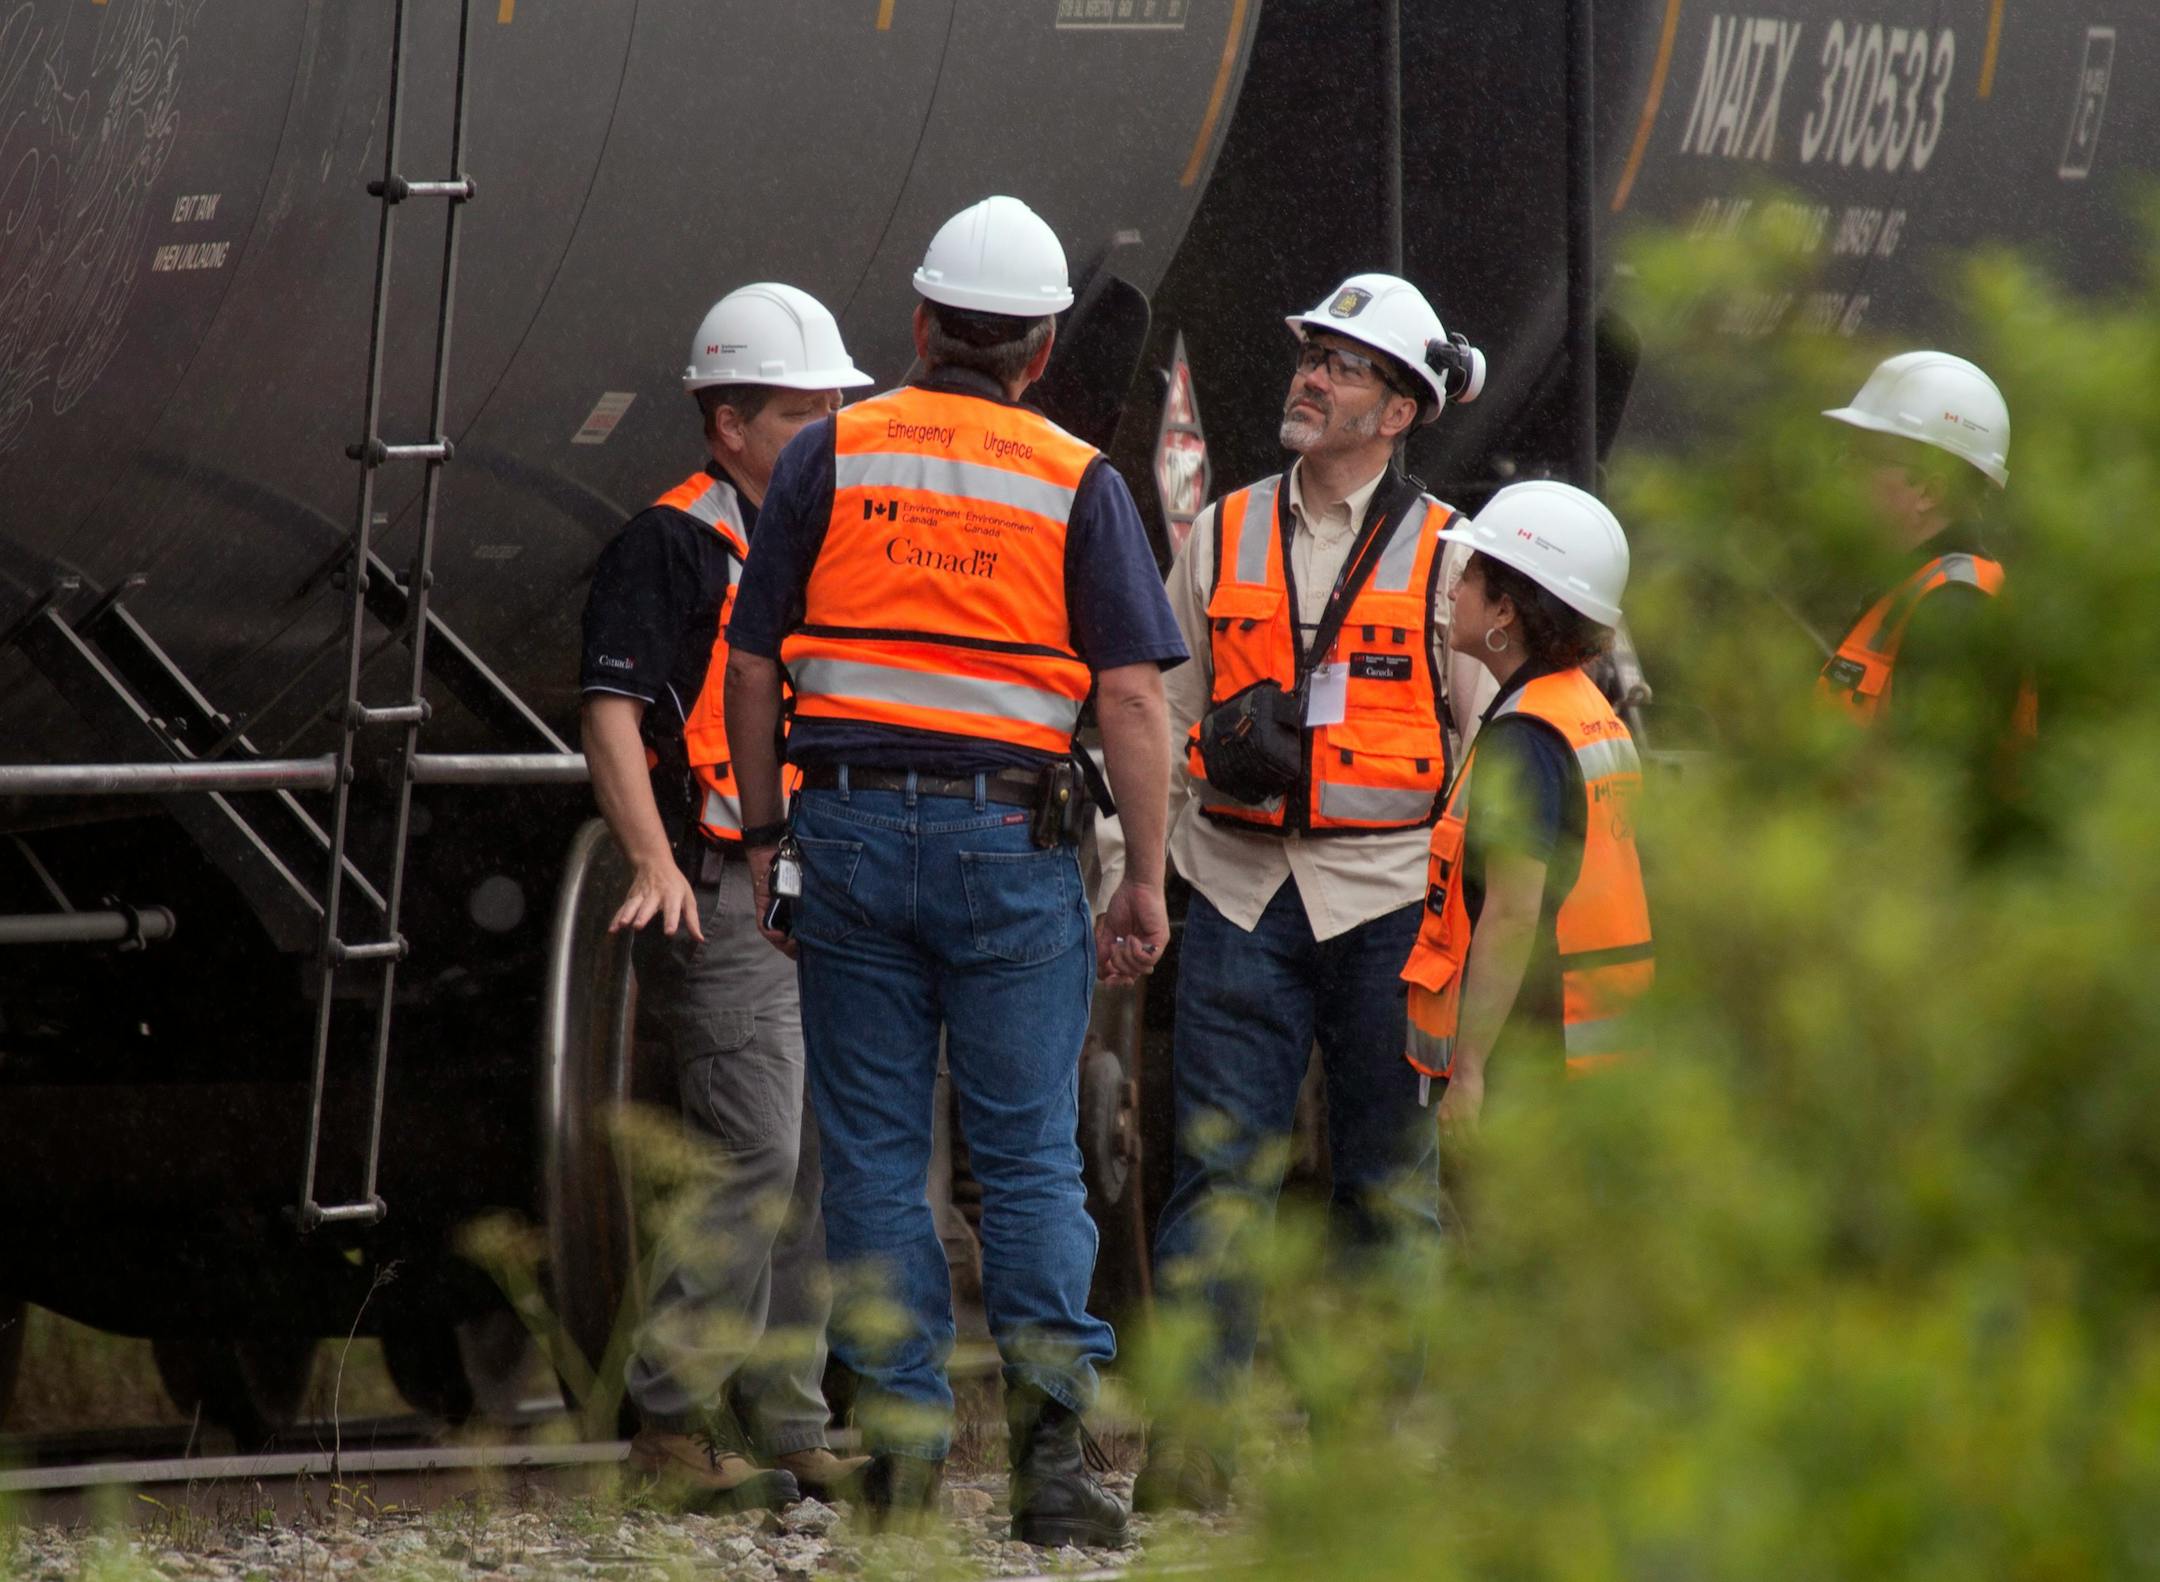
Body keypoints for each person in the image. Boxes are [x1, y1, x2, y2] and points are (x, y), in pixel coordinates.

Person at [722, 195, 1186, 1547]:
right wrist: (1144, 877)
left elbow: (753, 663)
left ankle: (908, 1455)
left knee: (873, 1155)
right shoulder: (1078, 478)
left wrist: (764, 838)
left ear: (921, 324)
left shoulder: (830, 455)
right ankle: (1051, 1463)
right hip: (1009, 839)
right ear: (1040, 350)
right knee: (1031, 1154)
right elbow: (1137, 704)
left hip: (850, 834)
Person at [1138, 273, 1492, 1512]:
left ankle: (1372, 1461)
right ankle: (1188, 1451)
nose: (1311, 376)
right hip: (1239, 893)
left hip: (1388, 901)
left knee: (1388, 1187)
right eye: (1311, 355)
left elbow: (1486, 751)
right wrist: (1170, 863)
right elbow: (1164, 711)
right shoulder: (1221, 531)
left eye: (1343, 364)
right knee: (1219, 1173)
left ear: (1399, 410)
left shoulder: (1453, 555)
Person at [578, 283, 873, 1511]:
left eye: (835, 410)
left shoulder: (832, 538)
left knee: (814, 1159)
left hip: (825, 880)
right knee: (752, 1148)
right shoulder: (670, 543)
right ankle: (672, 1415)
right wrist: (652, 862)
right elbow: (609, 712)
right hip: (723, 886)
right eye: (804, 413)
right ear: (729, 425)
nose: (829, 431)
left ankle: (790, 1416)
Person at [1400, 481, 1654, 1129]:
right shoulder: (1583, 709)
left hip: (1533, 1050)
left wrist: (1473, 1067)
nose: (1453, 593)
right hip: (1582, 1041)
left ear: (1505, 611)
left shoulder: (1526, 737)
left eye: (1468, 578)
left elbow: (1512, 915)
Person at [1816, 350, 2032, 738]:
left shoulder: (1956, 609)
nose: (1845, 472)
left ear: (1929, 491)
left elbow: (1938, 792)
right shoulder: (1908, 593)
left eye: (1862, 457)